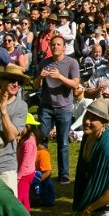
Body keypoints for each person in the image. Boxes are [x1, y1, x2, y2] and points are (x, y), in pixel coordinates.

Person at [37, 33, 82, 184]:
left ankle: (64, 174)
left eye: (58, 44)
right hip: (46, 107)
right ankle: (43, 172)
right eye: (53, 44)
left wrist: (60, 77)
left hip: (64, 108)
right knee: (42, 141)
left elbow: (76, 85)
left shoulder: (72, 63)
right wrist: (40, 78)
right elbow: (35, 85)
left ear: (64, 47)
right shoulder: (44, 62)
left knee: (63, 142)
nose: (55, 47)